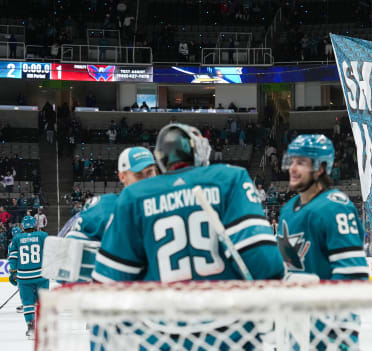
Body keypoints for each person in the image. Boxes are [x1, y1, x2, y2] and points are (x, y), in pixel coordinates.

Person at [92, 124, 284, 347]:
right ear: (198, 151)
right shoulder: (230, 178)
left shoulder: (133, 196)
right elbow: (265, 263)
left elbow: (108, 285)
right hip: (231, 331)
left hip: (160, 335)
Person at [278, 134, 368, 349]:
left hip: (330, 329)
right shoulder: (287, 209)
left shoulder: (336, 207)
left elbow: (352, 274)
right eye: (291, 161)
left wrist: (325, 317)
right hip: (295, 324)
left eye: (301, 162)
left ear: (320, 168)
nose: (292, 168)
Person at [62, 146, 158, 282]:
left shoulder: (166, 204)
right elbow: (67, 264)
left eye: (150, 173)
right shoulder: (103, 208)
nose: (146, 180)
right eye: (138, 175)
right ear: (122, 176)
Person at [8, 216, 49, 339]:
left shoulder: (17, 238)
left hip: (24, 277)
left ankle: (31, 328)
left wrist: (12, 272)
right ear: (34, 225)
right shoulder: (43, 236)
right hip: (41, 275)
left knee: (27, 303)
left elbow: (13, 257)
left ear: (23, 226)